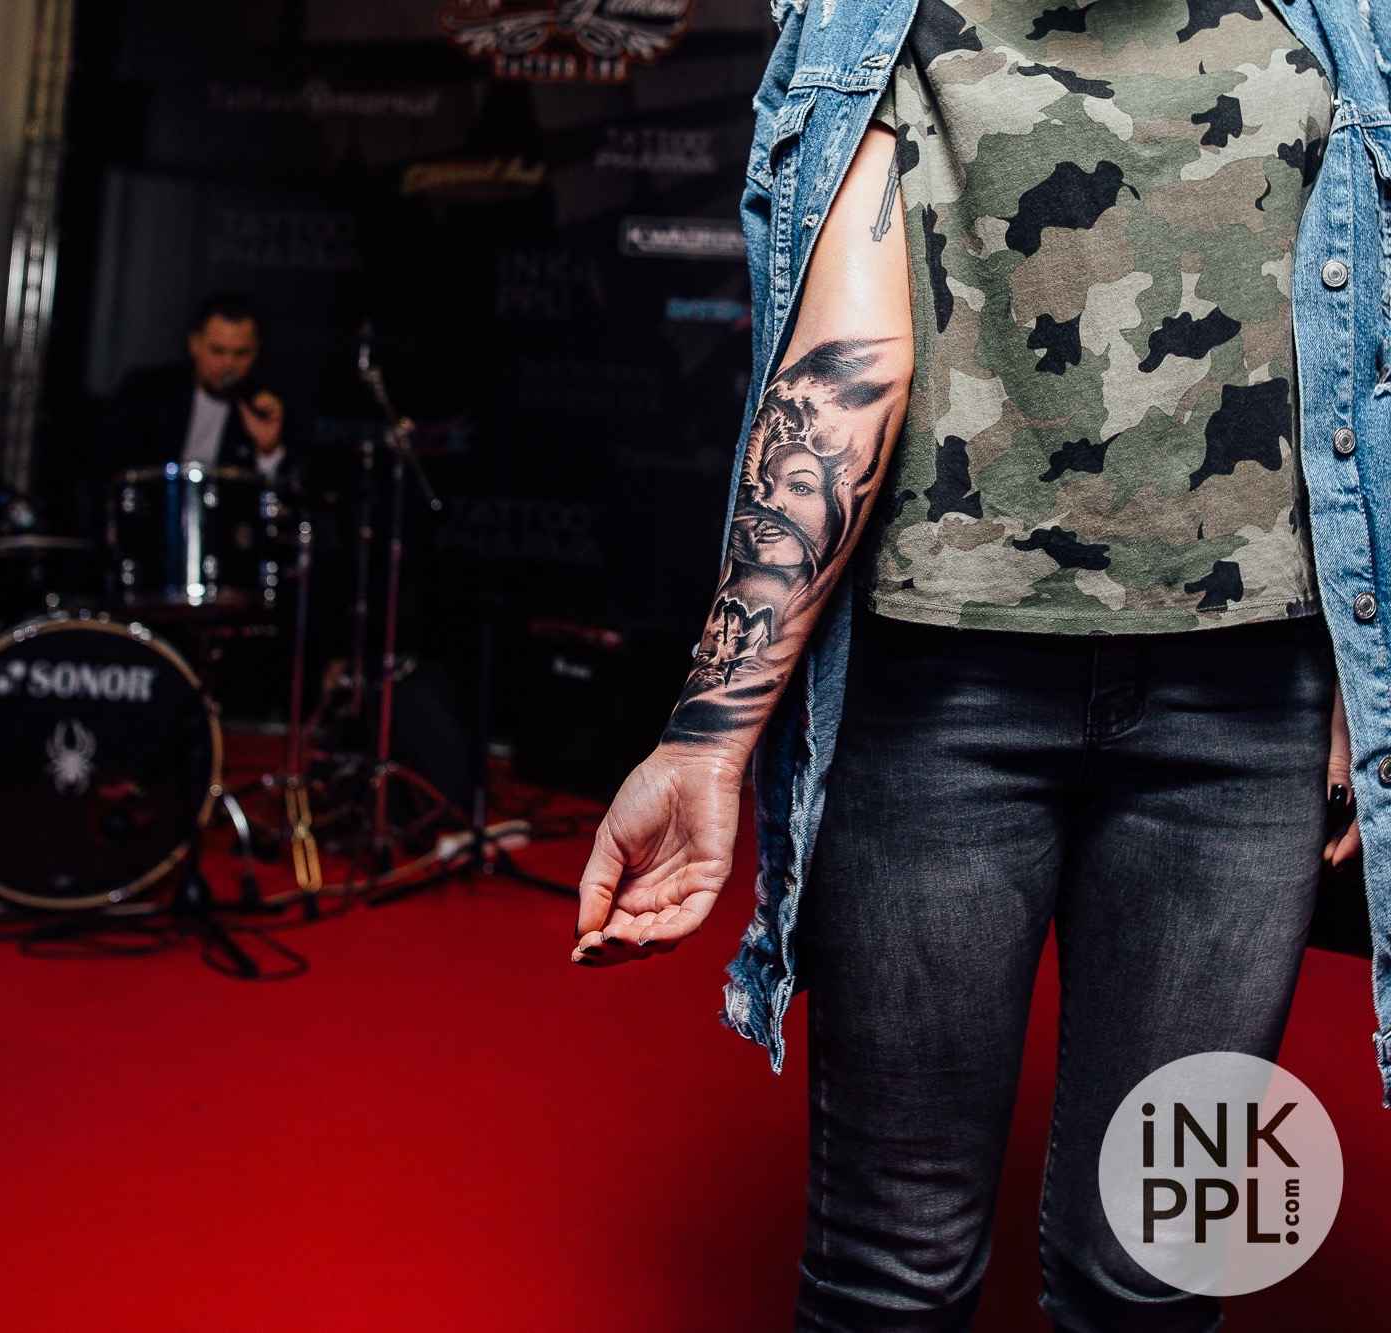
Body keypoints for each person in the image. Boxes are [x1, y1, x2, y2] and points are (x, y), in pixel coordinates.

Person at [573, 1, 1391, 1328]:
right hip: (938, 710)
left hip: (1248, 716)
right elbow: (843, 368)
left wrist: (1373, 669)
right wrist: (709, 737)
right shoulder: (863, 13)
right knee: (891, 1269)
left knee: (1163, 1267)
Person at [102, 292, 290, 482]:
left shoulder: (264, 409)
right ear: (195, 344)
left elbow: (283, 489)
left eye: (241, 354)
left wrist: (268, 450)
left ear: (256, 352)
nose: (228, 364)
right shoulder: (147, 392)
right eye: (217, 351)